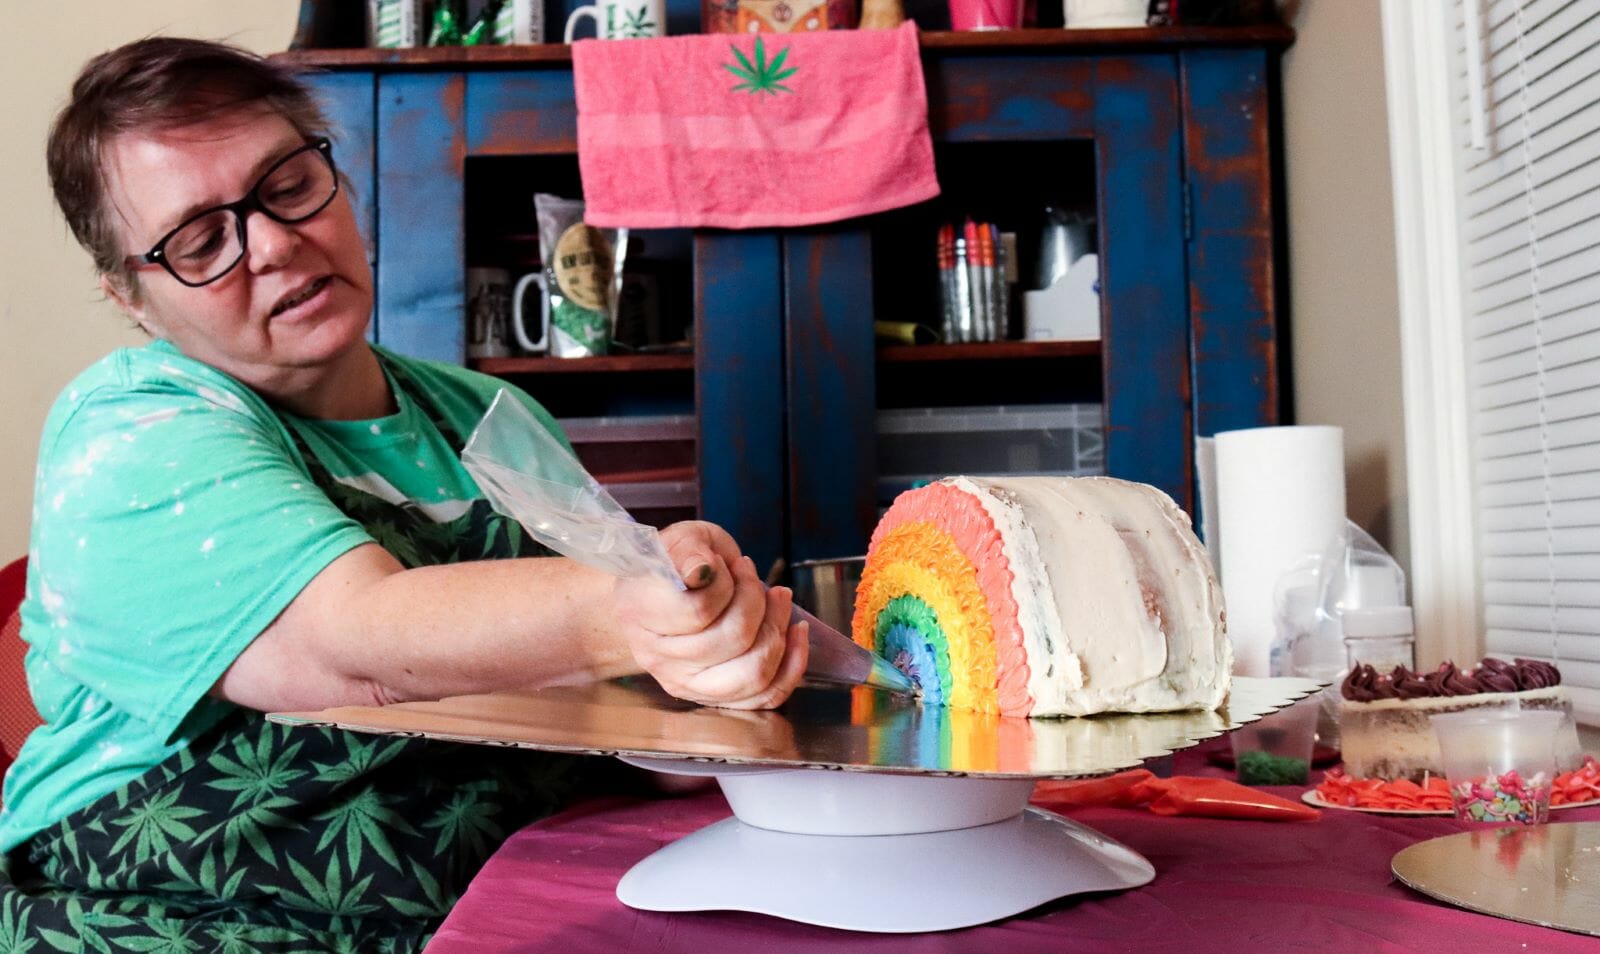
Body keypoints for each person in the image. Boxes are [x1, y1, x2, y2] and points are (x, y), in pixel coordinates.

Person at [0, 36, 808, 951]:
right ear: (131, 297)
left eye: (289, 185)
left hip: (470, 903)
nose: (274, 243)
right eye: (200, 242)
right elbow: (352, 644)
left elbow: (625, 714)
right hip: (163, 909)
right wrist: (631, 610)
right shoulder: (130, 432)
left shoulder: (491, 418)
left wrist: (709, 679)